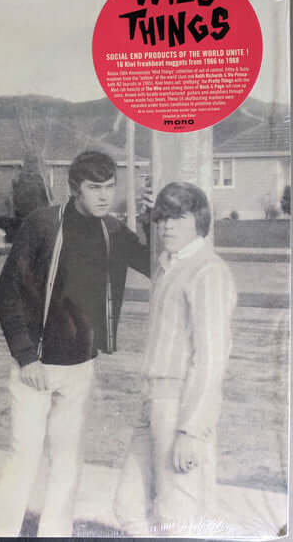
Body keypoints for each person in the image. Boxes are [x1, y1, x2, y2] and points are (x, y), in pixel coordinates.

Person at [0, 149, 150, 537]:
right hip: (35, 366)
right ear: (75, 188)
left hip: (80, 367)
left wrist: (150, 219)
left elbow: (153, 262)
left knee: (67, 463)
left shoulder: (112, 231)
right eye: (95, 188)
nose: (104, 196)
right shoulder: (43, 225)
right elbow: (6, 292)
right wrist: (26, 357)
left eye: (109, 187)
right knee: (23, 459)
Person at [113, 182, 237, 536]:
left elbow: (211, 358)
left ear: (199, 221)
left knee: (177, 514)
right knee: (129, 506)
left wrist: (190, 430)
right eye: (162, 217)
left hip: (180, 404)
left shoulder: (207, 271)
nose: (166, 226)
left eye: (178, 218)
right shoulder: (170, 265)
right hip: (151, 399)